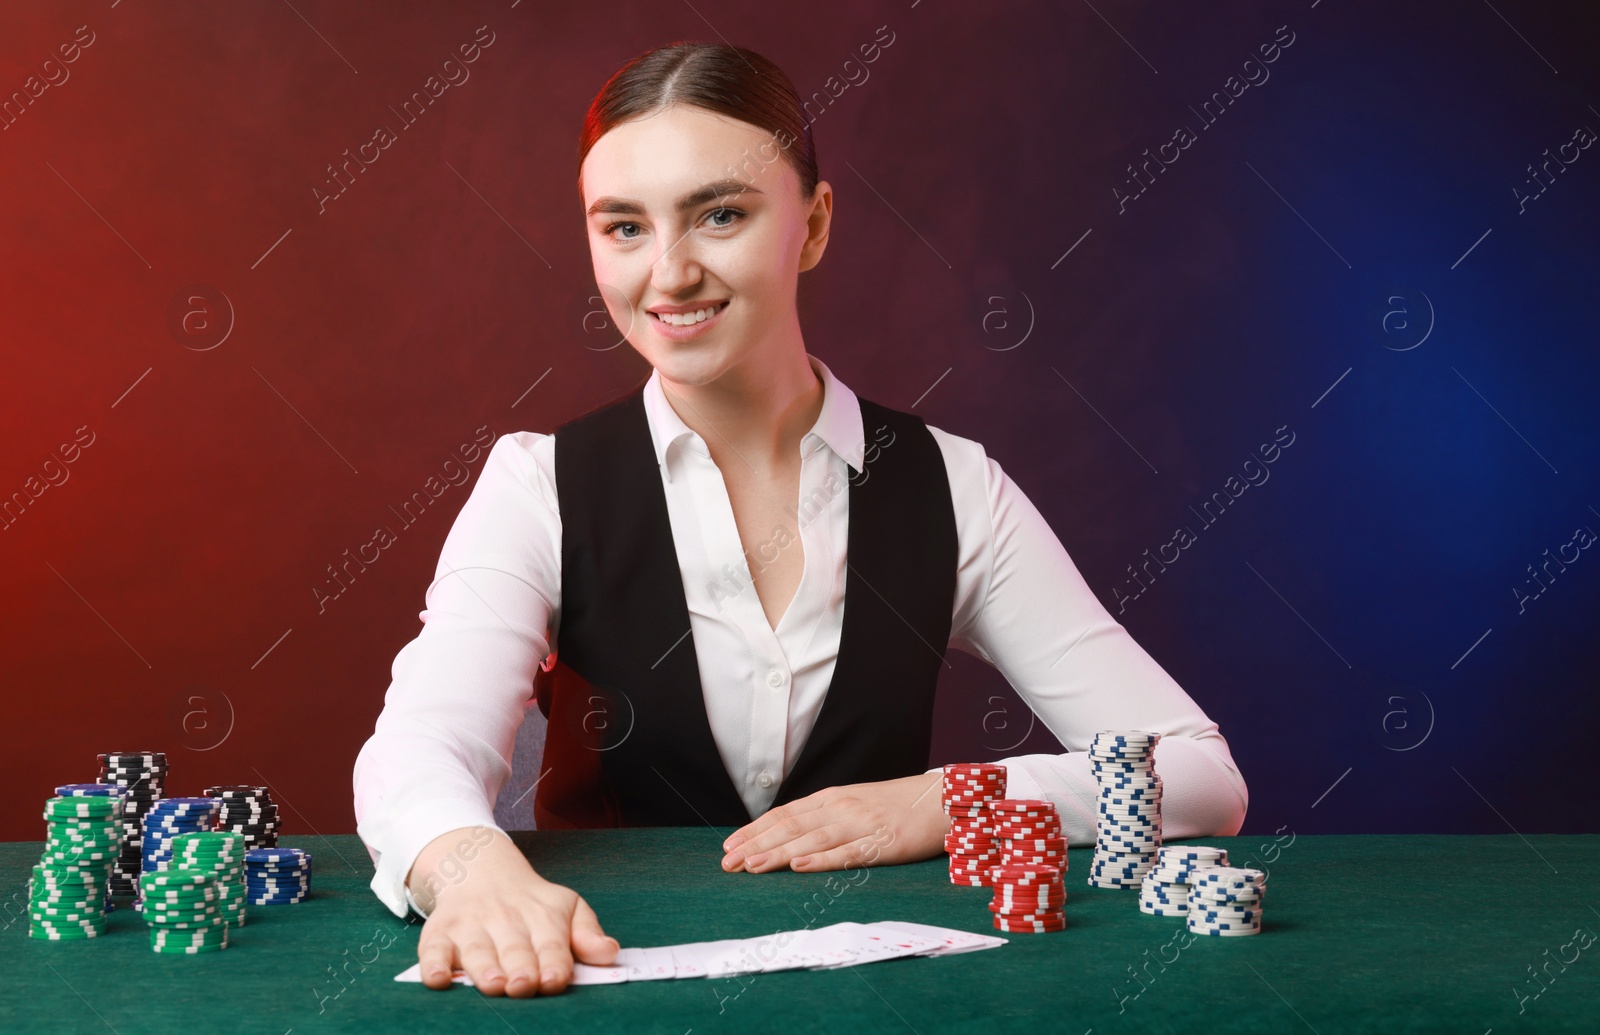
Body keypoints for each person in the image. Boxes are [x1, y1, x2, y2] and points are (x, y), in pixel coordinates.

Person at [353, 40, 1248, 999]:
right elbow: (415, 751)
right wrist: (472, 872)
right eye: (623, 227)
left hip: (884, 1001)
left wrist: (945, 799)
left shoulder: (952, 485)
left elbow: (1199, 774)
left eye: (722, 215)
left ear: (813, 225)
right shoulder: (537, 483)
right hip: (608, 990)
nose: (670, 272)